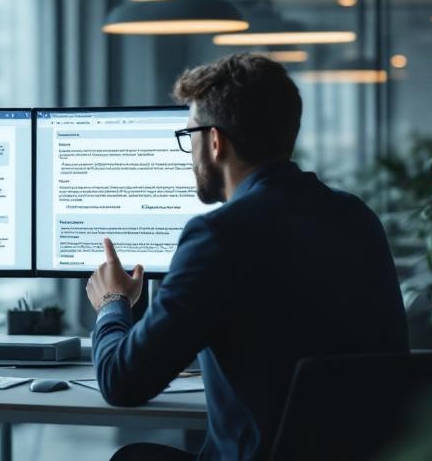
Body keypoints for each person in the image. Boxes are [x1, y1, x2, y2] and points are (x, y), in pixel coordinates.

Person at [86, 53, 409, 461]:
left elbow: (121, 383)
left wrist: (113, 302)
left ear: (215, 141)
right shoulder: (358, 218)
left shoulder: (218, 236)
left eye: (189, 136)